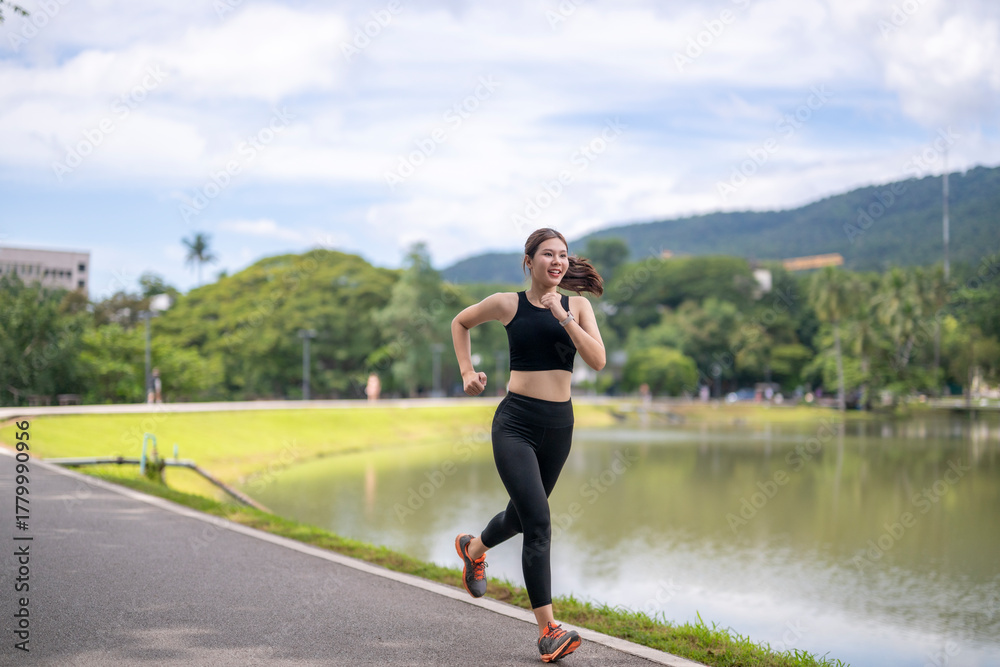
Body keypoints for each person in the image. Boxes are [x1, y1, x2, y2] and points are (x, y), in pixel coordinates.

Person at [451, 228, 605, 663]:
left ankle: (473, 549)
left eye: (563, 255)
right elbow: (460, 322)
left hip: (559, 427)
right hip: (515, 424)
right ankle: (548, 632)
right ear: (529, 261)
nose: (557, 261)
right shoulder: (508, 304)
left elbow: (597, 360)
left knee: (520, 517)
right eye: (548, 254)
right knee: (538, 522)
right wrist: (467, 372)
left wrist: (563, 316)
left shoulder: (577, 307)